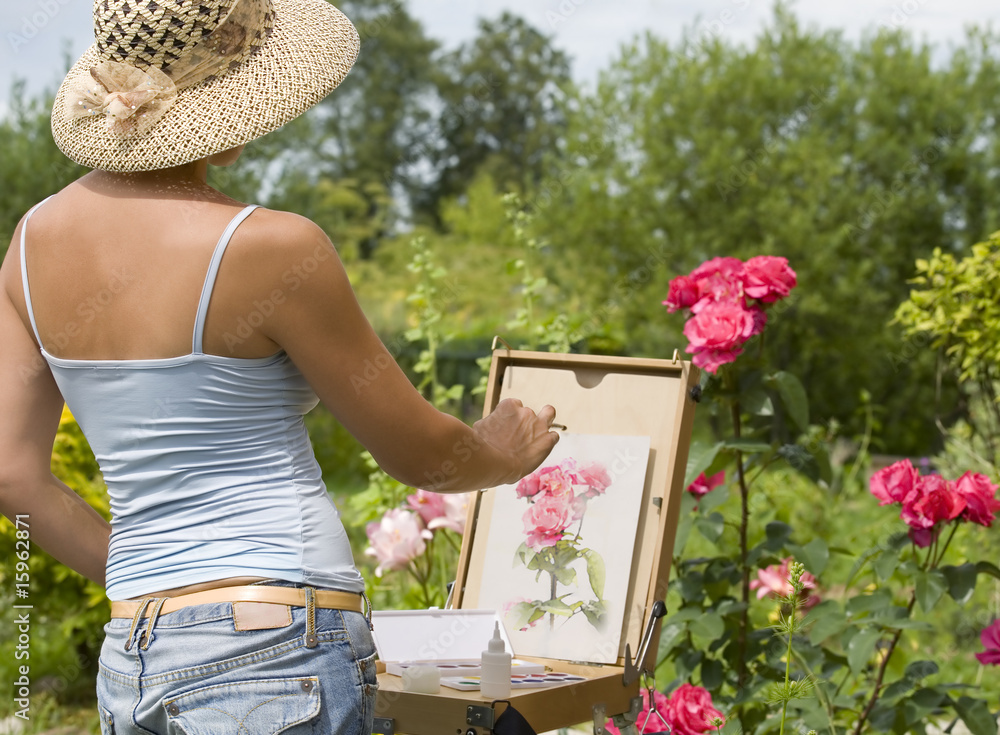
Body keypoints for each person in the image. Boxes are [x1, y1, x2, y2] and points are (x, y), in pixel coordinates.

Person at [0, 0, 559, 732]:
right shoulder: (272, 249)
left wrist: (165, 584)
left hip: (134, 653)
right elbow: (421, 454)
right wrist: (499, 450)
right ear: (228, 116)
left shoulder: (30, 245)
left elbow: (12, 475)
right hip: (275, 650)